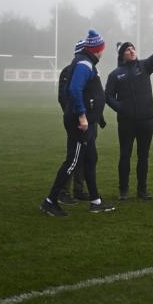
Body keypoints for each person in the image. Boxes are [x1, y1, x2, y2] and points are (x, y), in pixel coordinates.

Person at [41, 29, 115, 216]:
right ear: (98, 48)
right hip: (80, 123)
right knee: (72, 162)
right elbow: (74, 90)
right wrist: (82, 116)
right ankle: (50, 201)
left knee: (91, 159)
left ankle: (96, 201)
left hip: (86, 122)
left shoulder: (86, 62)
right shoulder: (84, 64)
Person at [105, 27, 153, 200]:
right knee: (125, 155)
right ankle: (123, 191)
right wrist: (121, 108)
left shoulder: (144, 66)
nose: (132, 51)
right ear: (121, 55)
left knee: (143, 156)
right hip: (126, 122)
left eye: (132, 48)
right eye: (127, 49)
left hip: (146, 119)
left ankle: (142, 190)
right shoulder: (115, 74)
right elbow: (108, 96)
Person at [56, 39, 87, 205]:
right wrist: (75, 115)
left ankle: (79, 189)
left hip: (89, 121)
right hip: (76, 121)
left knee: (84, 155)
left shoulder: (89, 68)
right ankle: (62, 191)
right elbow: (63, 97)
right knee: (73, 156)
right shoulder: (68, 71)